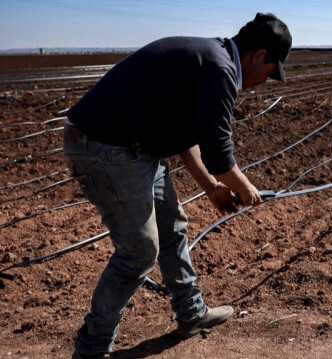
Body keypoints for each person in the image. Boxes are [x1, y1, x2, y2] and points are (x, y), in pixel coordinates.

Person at [63, 13, 292, 359]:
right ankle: (91, 349)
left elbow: (187, 135)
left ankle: (191, 313)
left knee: (172, 227)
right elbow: (218, 152)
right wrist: (246, 188)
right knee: (139, 252)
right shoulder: (220, 68)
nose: (265, 81)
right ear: (259, 55)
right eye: (271, 71)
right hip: (105, 147)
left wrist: (213, 187)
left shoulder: (211, 60)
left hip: (137, 149)